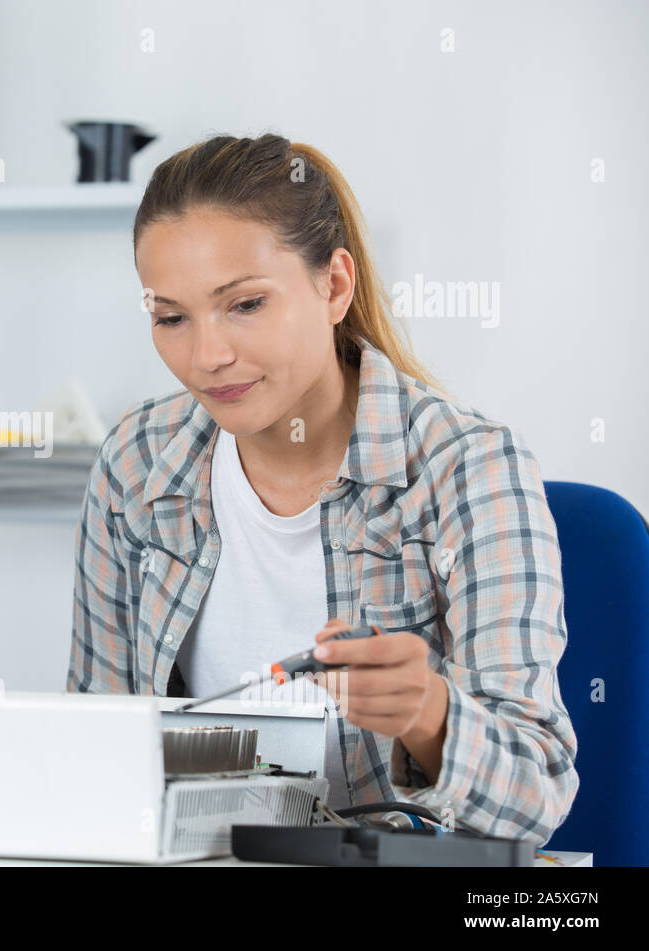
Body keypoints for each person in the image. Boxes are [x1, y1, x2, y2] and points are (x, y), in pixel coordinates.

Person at [67, 133, 577, 843]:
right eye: (171, 317)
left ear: (334, 285)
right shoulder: (135, 463)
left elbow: (538, 792)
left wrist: (427, 713)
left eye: (245, 304)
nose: (207, 357)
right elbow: (95, 753)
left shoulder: (468, 467)